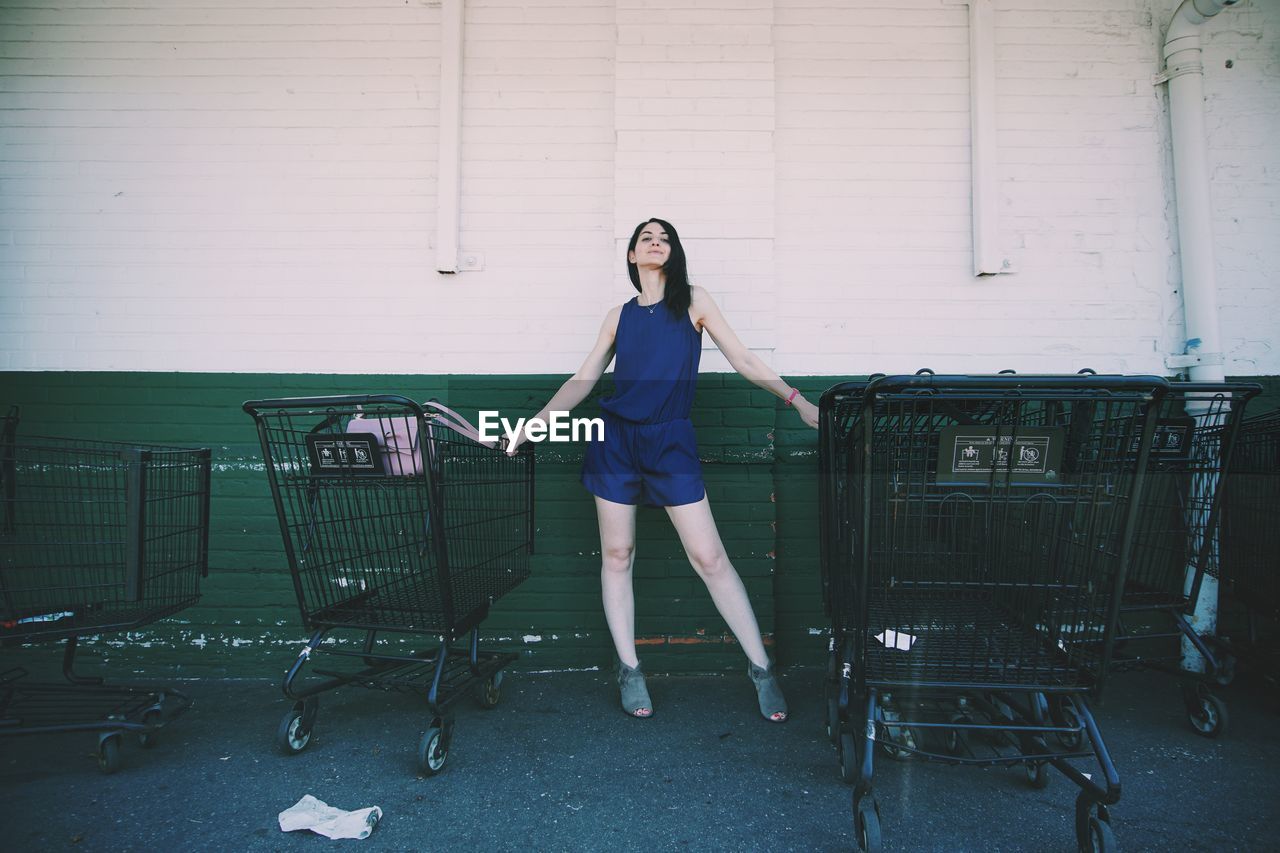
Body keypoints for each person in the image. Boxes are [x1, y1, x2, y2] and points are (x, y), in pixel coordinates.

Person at [508, 218, 820, 721]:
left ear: (672, 253)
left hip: (670, 439)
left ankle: (762, 669)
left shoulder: (694, 301)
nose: (656, 243)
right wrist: (533, 427)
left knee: (710, 558)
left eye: (664, 238)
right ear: (632, 255)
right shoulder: (618, 316)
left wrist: (797, 400)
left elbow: (742, 357)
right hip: (615, 441)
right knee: (617, 553)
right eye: (646, 238)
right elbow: (582, 380)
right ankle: (630, 669)